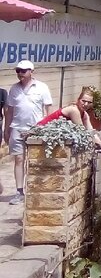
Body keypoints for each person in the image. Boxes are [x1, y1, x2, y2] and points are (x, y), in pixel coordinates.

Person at [5, 61, 53, 204]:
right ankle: (19, 191)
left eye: (23, 71)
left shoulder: (42, 87)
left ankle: (34, 190)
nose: (20, 74)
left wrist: (47, 127)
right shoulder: (14, 89)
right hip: (17, 128)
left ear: (31, 71)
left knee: (34, 160)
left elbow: (48, 109)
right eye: (18, 71)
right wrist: (7, 129)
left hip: (36, 130)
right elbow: (10, 110)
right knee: (19, 159)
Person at [36, 87, 101, 152]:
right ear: (78, 100)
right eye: (83, 101)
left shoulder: (84, 114)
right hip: (41, 130)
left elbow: (91, 131)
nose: (86, 104)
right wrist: (97, 142)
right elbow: (82, 131)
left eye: (89, 102)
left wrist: (100, 142)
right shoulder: (74, 110)